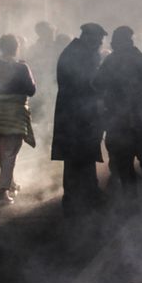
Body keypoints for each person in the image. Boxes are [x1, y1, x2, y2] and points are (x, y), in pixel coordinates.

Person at [93, 26, 142, 202]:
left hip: (119, 121)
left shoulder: (111, 62)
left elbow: (97, 84)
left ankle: (132, 204)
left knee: (124, 165)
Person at [52, 23, 106, 217]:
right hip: (79, 114)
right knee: (80, 155)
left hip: (74, 113)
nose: (100, 43)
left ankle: (83, 194)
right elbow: (89, 84)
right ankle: (80, 197)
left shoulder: (75, 51)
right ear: (89, 37)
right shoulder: (82, 55)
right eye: (98, 40)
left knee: (78, 156)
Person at [0, 35, 36, 204]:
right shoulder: (21, 67)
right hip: (15, 112)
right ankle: (1, 192)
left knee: (3, 152)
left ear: (1, 47)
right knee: (11, 153)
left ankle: (10, 184)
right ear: (16, 48)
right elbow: (31, 90)